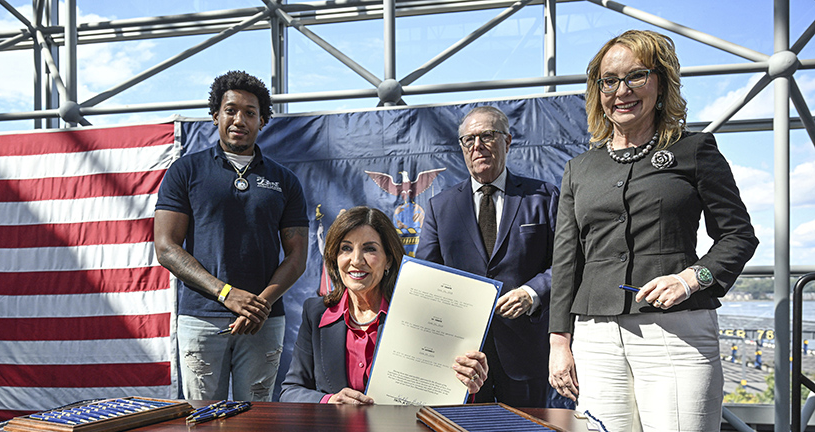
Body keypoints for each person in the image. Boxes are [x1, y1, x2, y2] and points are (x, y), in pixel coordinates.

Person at [547, 30, 758, 432]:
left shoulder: (694, 151)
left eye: (636, 75)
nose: (622, 89)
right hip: (594, 340)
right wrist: (559, 341)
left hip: (679, 340)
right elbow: (566, 260)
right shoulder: (579, 169)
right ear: (597, 91)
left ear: (661, 82)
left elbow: (738, 237)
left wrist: (694, 277)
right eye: (609, 80)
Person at [155, 70, 308, 403]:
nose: (240, 119)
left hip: (262, 321)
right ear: (215, 116)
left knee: (256, 420)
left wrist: (259, 304)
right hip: (201, 317)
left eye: (250, 112)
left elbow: (297, 257)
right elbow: (166, 248)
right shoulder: (186, 171)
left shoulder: (285, 180)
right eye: (231, 110)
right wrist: (226, 293)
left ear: (263, 121)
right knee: (201, 418)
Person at [415, 106, 560, 408]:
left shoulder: (543, 197)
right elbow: (427, 278)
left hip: (525, 354)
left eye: (487, 136)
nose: (477, 146)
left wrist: (532, 292)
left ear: (507, 141)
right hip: (464, 360)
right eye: (469, 140)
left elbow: (565, 263)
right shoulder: (440, 207)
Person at [281, 206, 488, 404]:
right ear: (335, 258)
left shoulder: (419, 316)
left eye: (369, 249)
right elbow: (290, 391)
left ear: (388, 260)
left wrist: (465, 382)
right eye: (346, 248)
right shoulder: (315, 313)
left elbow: (442, 391)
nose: (356, 260)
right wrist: (329, 400)